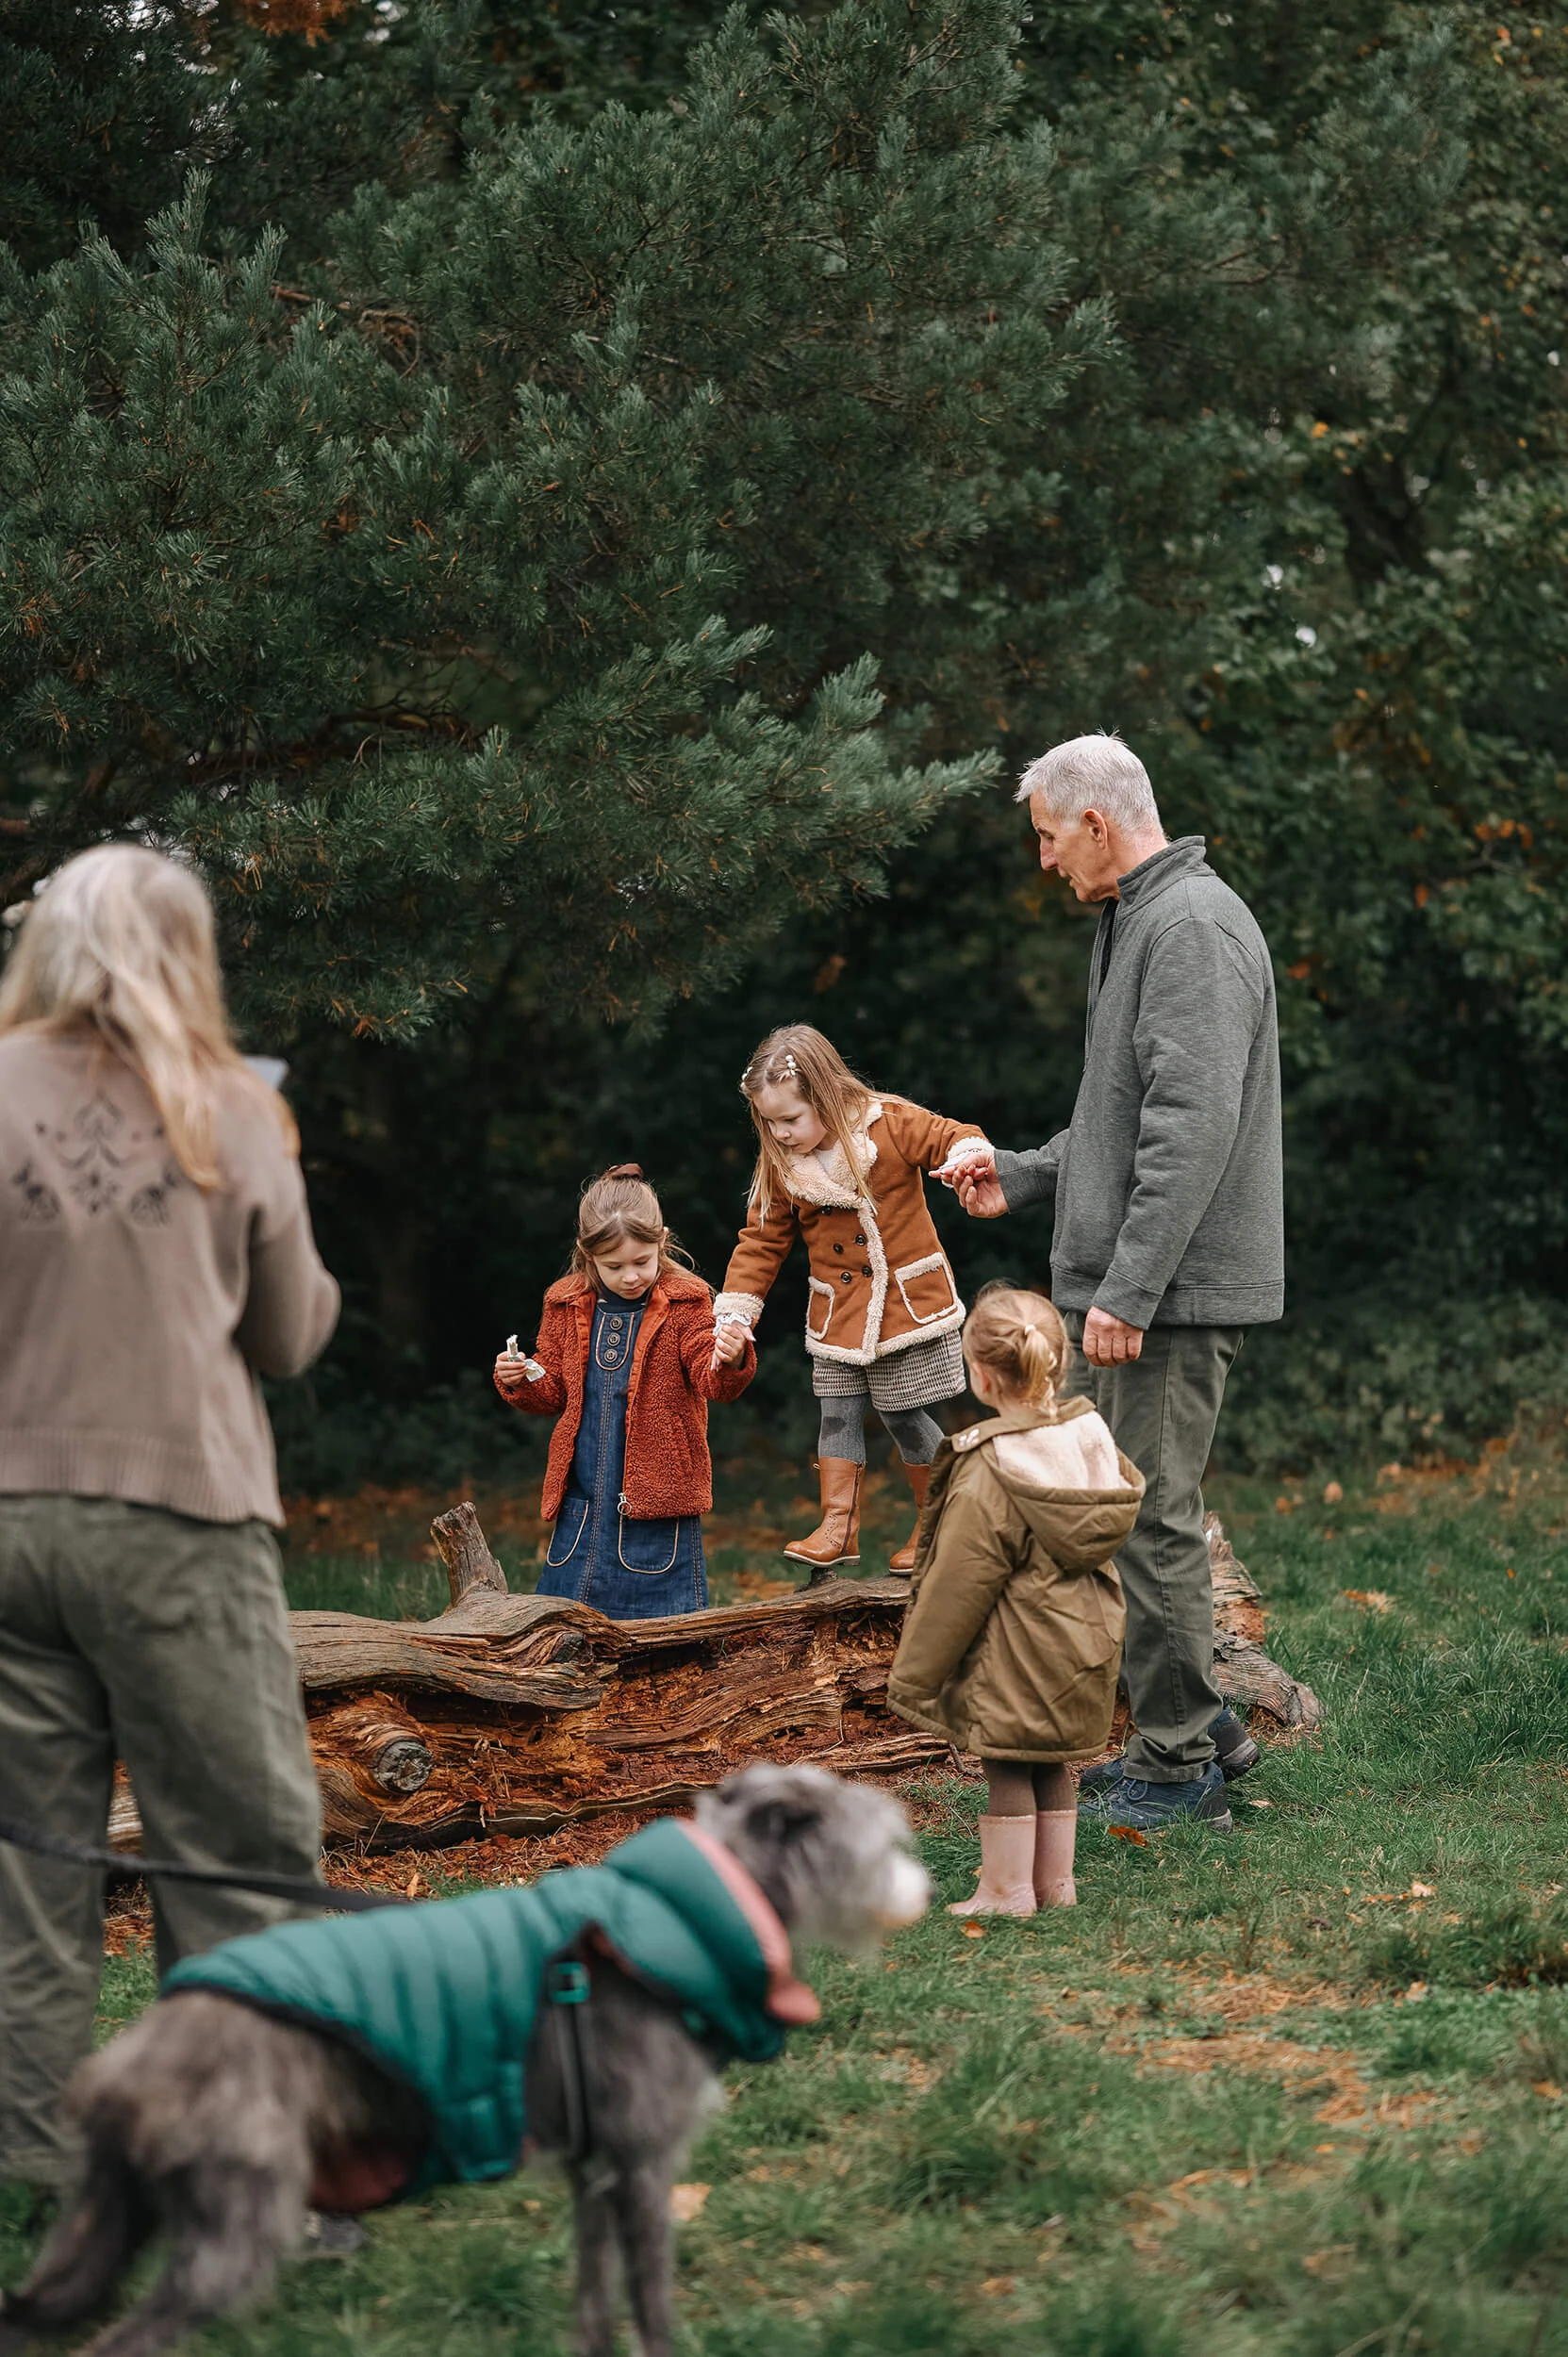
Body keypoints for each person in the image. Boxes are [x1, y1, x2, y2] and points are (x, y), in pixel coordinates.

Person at [0, 844, 339, 2196]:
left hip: (7, 1524)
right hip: (180, 1523)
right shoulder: (232, 1107)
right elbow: (289, 1335)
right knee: (237, 1854)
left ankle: (31, 2168)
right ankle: (232, 2159)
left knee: (28, 1863)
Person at [945, 733, 1282, 1833]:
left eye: (1049, 836)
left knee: (1147, 1520)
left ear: (1096, 822)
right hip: (1135, 1285)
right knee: (1124, 1513)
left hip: (1165, 1295)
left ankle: (1176, 1766)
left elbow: (1189, 1132)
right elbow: (1118, 1122)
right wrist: (1023, 1174)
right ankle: (1199, 1727)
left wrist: (1127, 1292)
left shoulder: (1188, 927)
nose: (1044, 859)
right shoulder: (1138, 918)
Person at [886, 1286, 1142, 1913]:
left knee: (1006, 1763)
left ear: (979, 1375)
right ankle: (1055, 1886)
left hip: (1017, 1646)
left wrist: (914, 1676)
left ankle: (1006, 1891)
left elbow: (958, 1584)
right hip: (1084, 1639)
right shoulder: (1088, 1434)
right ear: (1057, 1360)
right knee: (1051, 1762)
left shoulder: (993, 1467)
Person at [714, 1026, 992, 1580]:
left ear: (825, 1095)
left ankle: (943, 1519)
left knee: (902, 1414)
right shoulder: (782, 1164)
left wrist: (966, 1158)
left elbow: (954, 1135)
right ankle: (838, 1526)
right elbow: (761, 1242)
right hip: (839, 1313)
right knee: (835, 1411)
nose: (780, 1133)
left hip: (903, 1305)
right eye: (769, 1122)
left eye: (791, 1119)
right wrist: (738, 1313)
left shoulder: (888, 1122)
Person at [493, 1165, 754, 1618]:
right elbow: (552, 1392)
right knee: (567, 1624)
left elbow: (711, 1379)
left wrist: (730, 1357)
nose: (630, 1276)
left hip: (658, 1495)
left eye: (642, 1262)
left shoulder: (687, 1301)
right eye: (614, 1266)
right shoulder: (564, 1303)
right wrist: (520, 1377)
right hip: (583, 1498)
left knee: (664, 1630)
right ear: (587, 1254)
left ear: (662, 1242)